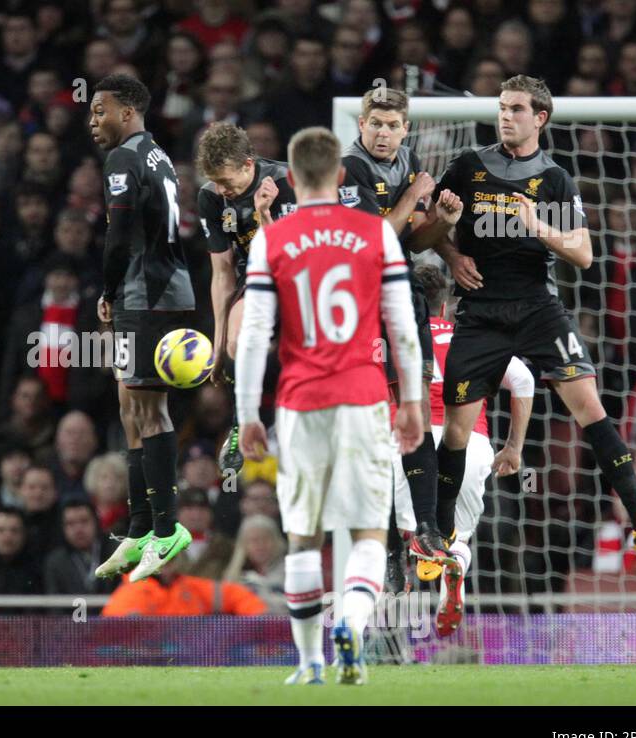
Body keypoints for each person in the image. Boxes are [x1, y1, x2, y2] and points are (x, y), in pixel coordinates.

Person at [428, 75, 636, 562]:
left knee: (591, 408)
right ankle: (439, 538)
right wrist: (451, 253)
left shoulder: (555, 178)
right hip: (479, 311)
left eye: (516, 109)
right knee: (457, 431)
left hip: (538, 308)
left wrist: (539, 226)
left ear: (539, 118)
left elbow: (583, 254)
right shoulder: (468, 166)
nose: (505, 116)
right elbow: (428, 224)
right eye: (502, 107)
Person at [235, 126, 425, 686]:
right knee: (369, 528)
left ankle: (310, 662)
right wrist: (411, 400)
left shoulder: (272, 240)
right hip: (365, 396)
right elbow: (403, 328)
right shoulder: (376, 234)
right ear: (342, 177)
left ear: (290, 179)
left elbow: (253, 336)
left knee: (303, 534)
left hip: (299, 401)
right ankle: (354, 625)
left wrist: (249, 411)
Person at [338, 88, 463, 564]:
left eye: (393, 126)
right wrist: (416, 194)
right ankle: (387, 545)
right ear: (361, 125)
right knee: (375, 424)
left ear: (405, 129)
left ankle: (427, 529)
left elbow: (412, 242)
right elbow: (375, 243)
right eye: (376, 124)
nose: (384, 133)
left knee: (414, 414)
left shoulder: (408, 161)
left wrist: (443, 222)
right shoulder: (350, 169)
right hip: (361, 301)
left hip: (403, 298)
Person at [88, 74, 195, 583]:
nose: (92, 121)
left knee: (150, 411)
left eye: (99, 110)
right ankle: (139, 528)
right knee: (131, 407)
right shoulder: (158, 154)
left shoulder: (124, 158)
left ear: (127, 111)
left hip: (145, 295)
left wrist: (107, 293)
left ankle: (167, 528)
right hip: (155, 291)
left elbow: (120, 233)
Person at [391, 263, 533, 636]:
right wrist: (514, 447)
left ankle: (405, 581)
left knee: (414, 531)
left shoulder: (394, 338)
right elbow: (524, 379)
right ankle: (452, 579)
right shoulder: (471, 339)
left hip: (410, 442)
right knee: (459, 537)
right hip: (471, 444)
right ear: (444, 307)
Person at [192, 121, 296, 470]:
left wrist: (265, 214)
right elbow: (222, 271)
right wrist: (218, 344)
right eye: (215, 181)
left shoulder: (287, 184)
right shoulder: (210, 196)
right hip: (257, 278)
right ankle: (242, 424)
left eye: (227, 181)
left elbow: (287, 257)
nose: (221, 189)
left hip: (304, 279)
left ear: (248, 164)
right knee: (238, 343)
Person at [101, 551, 267, 616]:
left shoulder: (188, 585)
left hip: (194, 654)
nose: (165, 565)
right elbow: (112, 630)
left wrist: (259, 618)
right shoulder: (132, 592)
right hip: (150, 658)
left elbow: (235, 595)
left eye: (169, 559)